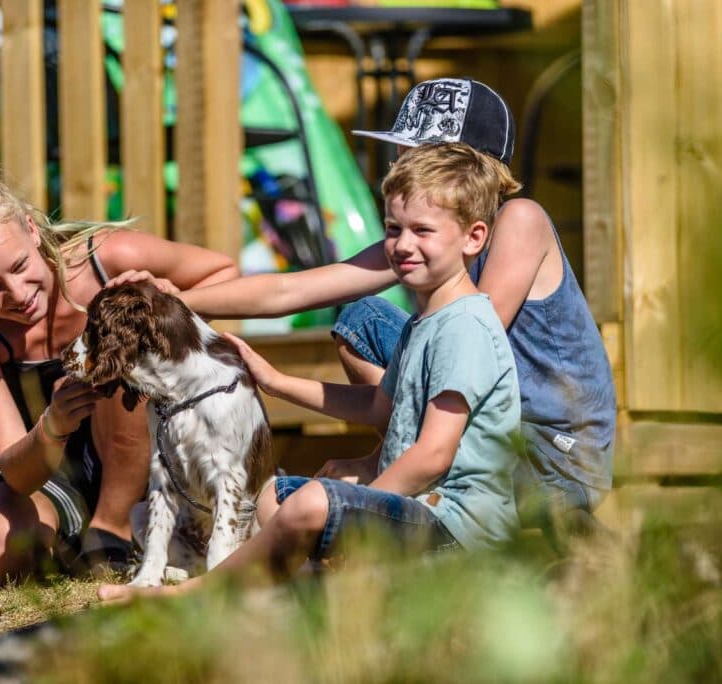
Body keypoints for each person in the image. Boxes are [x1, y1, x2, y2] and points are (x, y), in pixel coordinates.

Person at [110, 77, 616, 550]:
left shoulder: (518, 221)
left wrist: (373, 471)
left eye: (411, 150)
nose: (397, 159)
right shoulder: (427, 237)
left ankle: (403, 484)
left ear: (460, 166)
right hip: (480, 434)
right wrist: (175, 298)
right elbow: (293, 290)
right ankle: (405, 474)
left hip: (551, 457)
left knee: (426, 346)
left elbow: (478, 344)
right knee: (362, 319)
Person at [99, 142, 521, 601]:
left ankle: (198, 594)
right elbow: (378, 404)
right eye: (393, 228)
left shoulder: (463, 327)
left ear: (473, 238)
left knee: (317, 502)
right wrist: (277, 382)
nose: (402, 245)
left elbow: (434, 455)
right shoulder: (426, 321)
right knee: (273, 498)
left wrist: (359, 512)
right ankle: (311, 587)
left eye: (422, 230)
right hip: (419, 513)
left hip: (459, 528)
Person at [0, 167, 239, 584]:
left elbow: (224, 272)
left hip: (153, 445)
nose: (18, 294)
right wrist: (53, 425)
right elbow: (17, 470)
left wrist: (165, 305)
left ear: (33, 231)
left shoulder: (106, 260)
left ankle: (115, 527)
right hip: (54, 465)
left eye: (19, 266)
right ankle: (80, 544)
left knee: (116, 348)